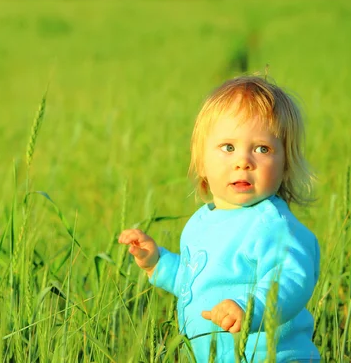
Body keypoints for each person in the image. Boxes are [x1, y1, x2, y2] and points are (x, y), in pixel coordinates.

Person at [118, 75, 321, 362]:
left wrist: (250, 307)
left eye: (262, 149)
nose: (243, 161)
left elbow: (291, 280)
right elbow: (196, 280)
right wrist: (158, 263)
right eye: (228, 147)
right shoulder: (200, 223)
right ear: (202, 162)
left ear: (286, 165)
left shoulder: (272, 225)